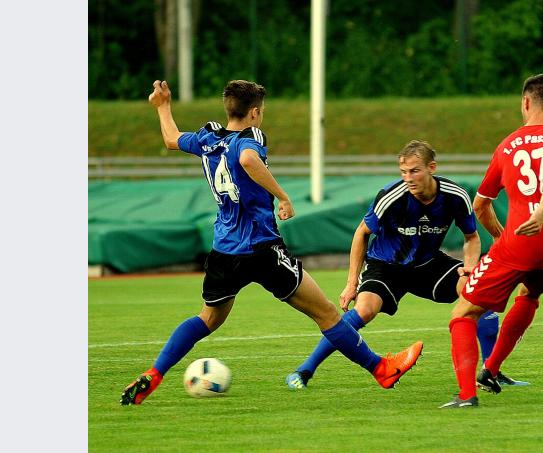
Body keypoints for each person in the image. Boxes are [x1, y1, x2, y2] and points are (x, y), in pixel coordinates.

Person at [120, 80, 423, 405]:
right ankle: (381, 369)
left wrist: (163, 106)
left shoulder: (208, 138)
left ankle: (155, 373)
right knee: (327, 314)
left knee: (207, 319)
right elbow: (250, 160)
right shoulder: (251, 137)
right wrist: (283, 196)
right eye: (261, 111)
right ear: (254, 112)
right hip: (262, 248)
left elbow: (170, 138)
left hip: (224, 251)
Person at [285, 140, 527, 389]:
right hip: (385, 265)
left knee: (479, 291)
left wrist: (469, 265)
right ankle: (305, 370)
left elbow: (472, 237)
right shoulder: (392, 196)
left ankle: (491, 371)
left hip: (427, 263)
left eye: (414, 170)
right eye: (403, 172)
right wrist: (351, 284)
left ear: (431, 167)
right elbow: (361, 233)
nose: (408, 178)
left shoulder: (455, 196)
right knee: (365, 309)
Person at [440, 73, 543, 408]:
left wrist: (503, 237)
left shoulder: (507, 146)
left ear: (525, 102)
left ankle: (466, 396)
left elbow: (480, 205)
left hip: (521, 243)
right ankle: (490, 369)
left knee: (462, 314)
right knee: (529, 292)